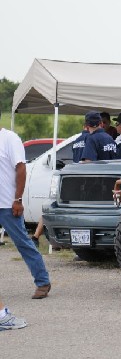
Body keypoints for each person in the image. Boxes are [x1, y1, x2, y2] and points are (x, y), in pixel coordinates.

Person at [0, 109, 51, 299]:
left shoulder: (9, 139)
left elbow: (21, 169)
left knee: (22, 243)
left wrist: (18, 199)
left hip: (7, 203)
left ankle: (43, 282)